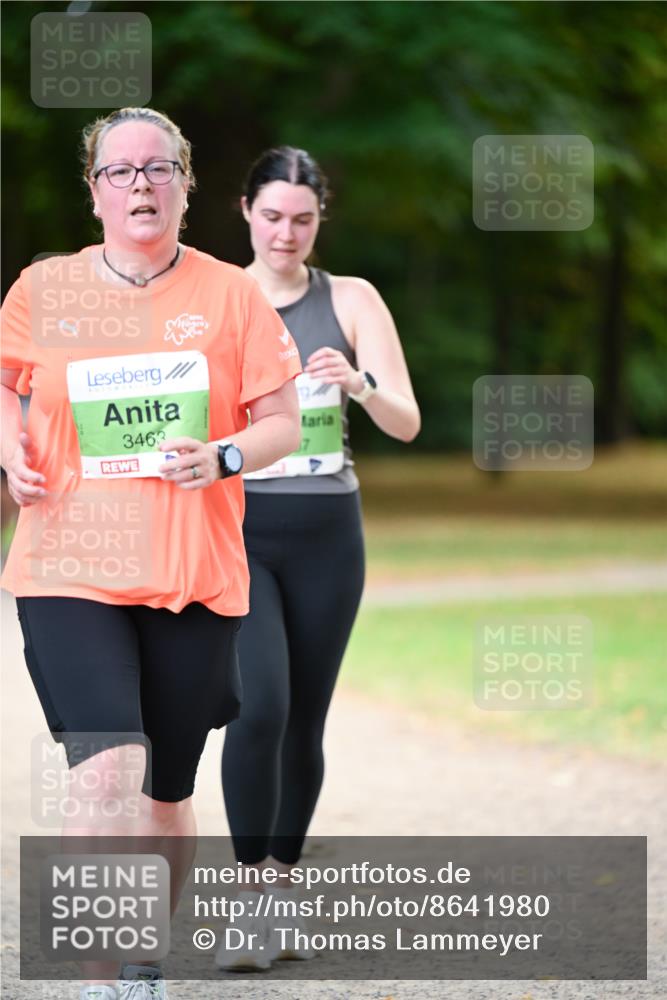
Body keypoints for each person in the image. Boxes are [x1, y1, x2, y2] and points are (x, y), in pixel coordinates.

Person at [0, 109, 301, 999]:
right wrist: (9, 447)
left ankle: (140, 953)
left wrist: (227, 455)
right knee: (105, 769)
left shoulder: (228, 295)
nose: (140, 183)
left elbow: (281, 420)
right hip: (66, 567)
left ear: (185, 184)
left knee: (166, 792)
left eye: (159, 168)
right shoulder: (42, 288)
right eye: (120, 171)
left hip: (192, 574)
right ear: (93, 191)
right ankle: (111, 979)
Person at [217, 146, 420, 971]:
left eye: (301, 219)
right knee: (255, 707)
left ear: (318, 220)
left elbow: (407, 421)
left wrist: (361, 383)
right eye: (271, 216)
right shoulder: (216, 298)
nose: (285, 233)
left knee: (304, 719)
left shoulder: (352, 299)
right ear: (244, 212)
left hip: (329, 533)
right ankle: (249, 903)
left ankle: (283, 891)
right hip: (240, 527)